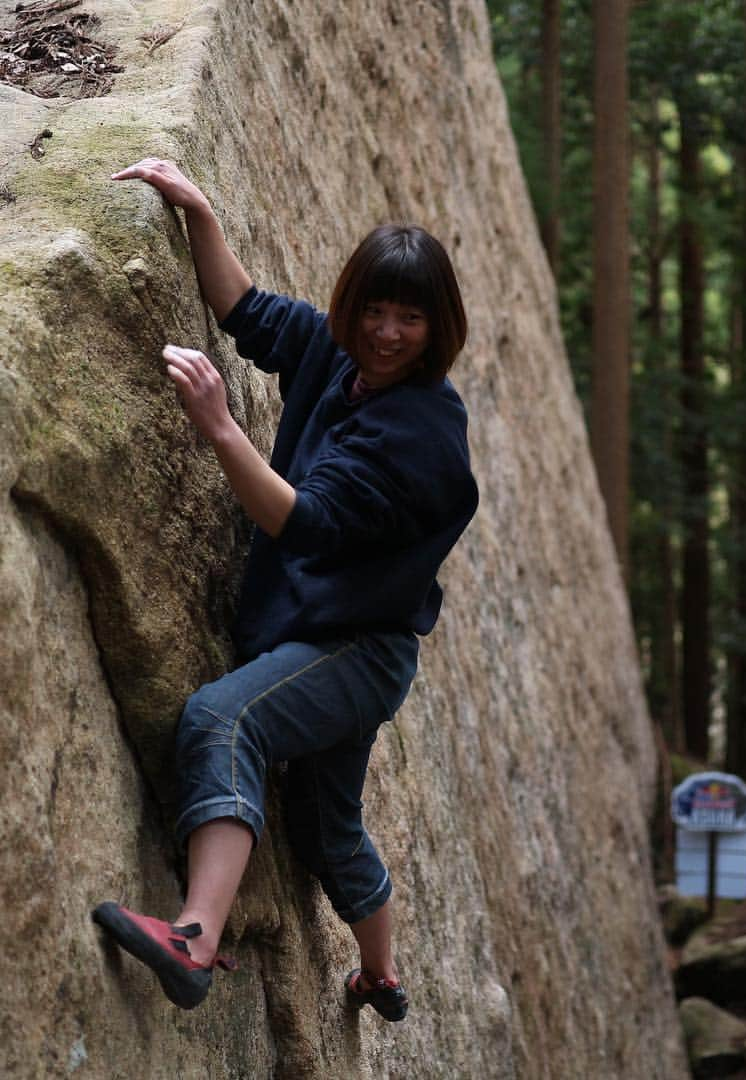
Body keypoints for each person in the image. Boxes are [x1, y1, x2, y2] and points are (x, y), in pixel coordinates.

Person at [91, 158, 478, 1020]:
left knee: (224, 719)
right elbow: (247, 312)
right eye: (373, 310)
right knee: (325, 826)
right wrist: (197, 209)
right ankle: (380, 975)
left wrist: (222, 427)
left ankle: (192, 939)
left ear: (437, 326)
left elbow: (299, 521)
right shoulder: (340, 358)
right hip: (328, 632)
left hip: (358, 650)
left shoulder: (419, 436)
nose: (385, 332)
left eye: (409, 318)